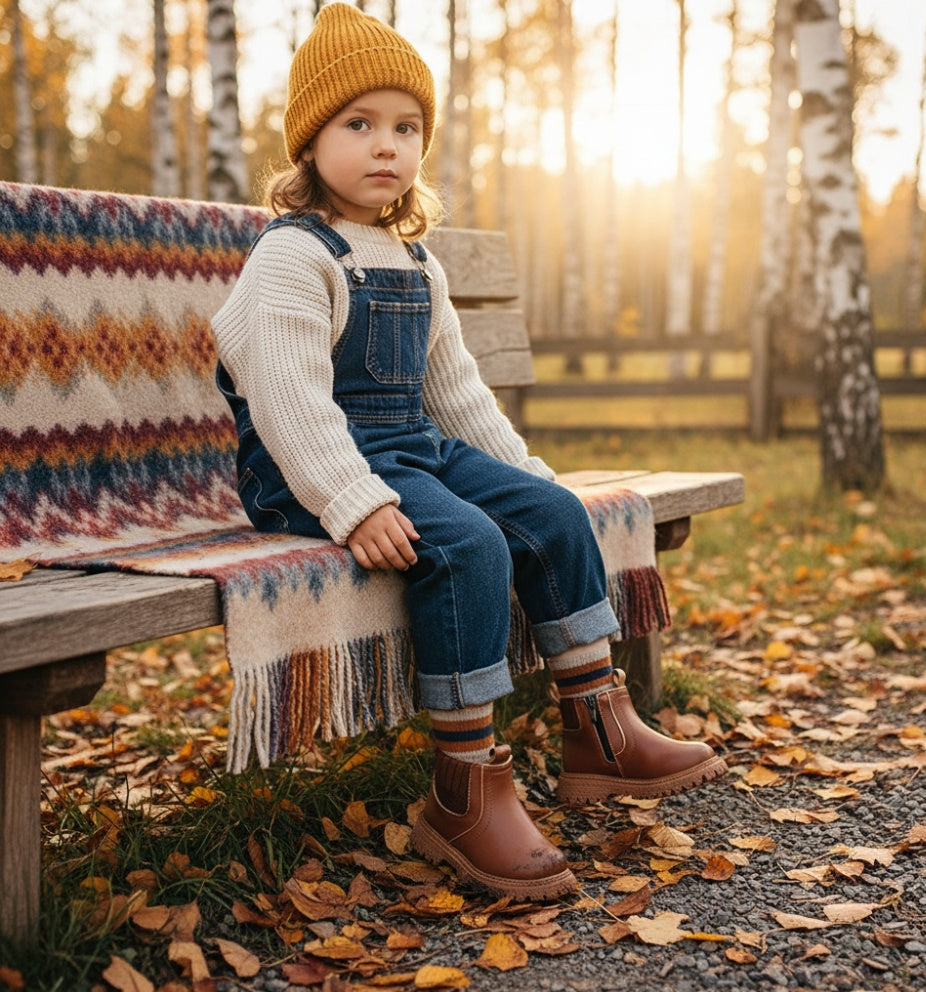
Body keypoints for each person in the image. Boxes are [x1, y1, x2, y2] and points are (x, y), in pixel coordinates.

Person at [212, 2, 725, 901]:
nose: (386, 147)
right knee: (467, 545)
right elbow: (289, 401)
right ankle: (463, 792)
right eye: (358, 124)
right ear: (309, 143)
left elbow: (457, 395)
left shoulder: (415, 260)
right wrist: (354, 500)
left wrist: (527, 479)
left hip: (414, 448)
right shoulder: (292, 257)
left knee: (553, 514)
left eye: (405, 128)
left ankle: (598, 730)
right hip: (311, 469)